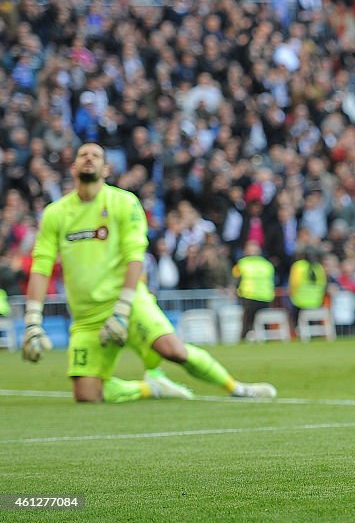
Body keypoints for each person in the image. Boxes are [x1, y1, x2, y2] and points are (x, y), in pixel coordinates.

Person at [21, 143, 276, 402]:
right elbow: (41, 266)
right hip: (86, 317)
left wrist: (122, 308)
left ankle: (237, 388)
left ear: (106, 168)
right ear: (73, 167)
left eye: (95, 155)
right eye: (82, 154)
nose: (88, 158)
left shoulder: (124, 202)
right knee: (87, 395)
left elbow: (135, 256)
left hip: (128, 303)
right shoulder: (55, 214)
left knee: (174, 351)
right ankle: (151, 388)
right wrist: (33, 320)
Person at [233, 240, 278, 340]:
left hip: (250, 296)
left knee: (248, 322)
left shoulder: (242, 263)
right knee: (262, 323)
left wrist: (236, 292)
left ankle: (244, 338)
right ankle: (266, 339)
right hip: (264, 296)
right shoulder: (267, 264)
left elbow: (236, 278)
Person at [287, 246, 328, 332]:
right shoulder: (319, 267)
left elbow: (294, 284)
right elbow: (323, 284)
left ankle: (296, 329)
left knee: (290, 309)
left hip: (299, 302)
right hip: (317, 302)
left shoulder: (298, 266)